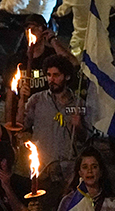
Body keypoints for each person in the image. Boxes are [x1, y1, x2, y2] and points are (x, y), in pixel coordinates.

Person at [19, 55, 86, 189]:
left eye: (56, 75)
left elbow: (85, 139)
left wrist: (78, 125)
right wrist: (21, 101)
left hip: (68, 169)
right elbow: (21, 126)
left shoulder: (78, 103)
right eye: (49, 75)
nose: (51, 79)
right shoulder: (36, 100)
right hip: (43, 167)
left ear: (66, 76)